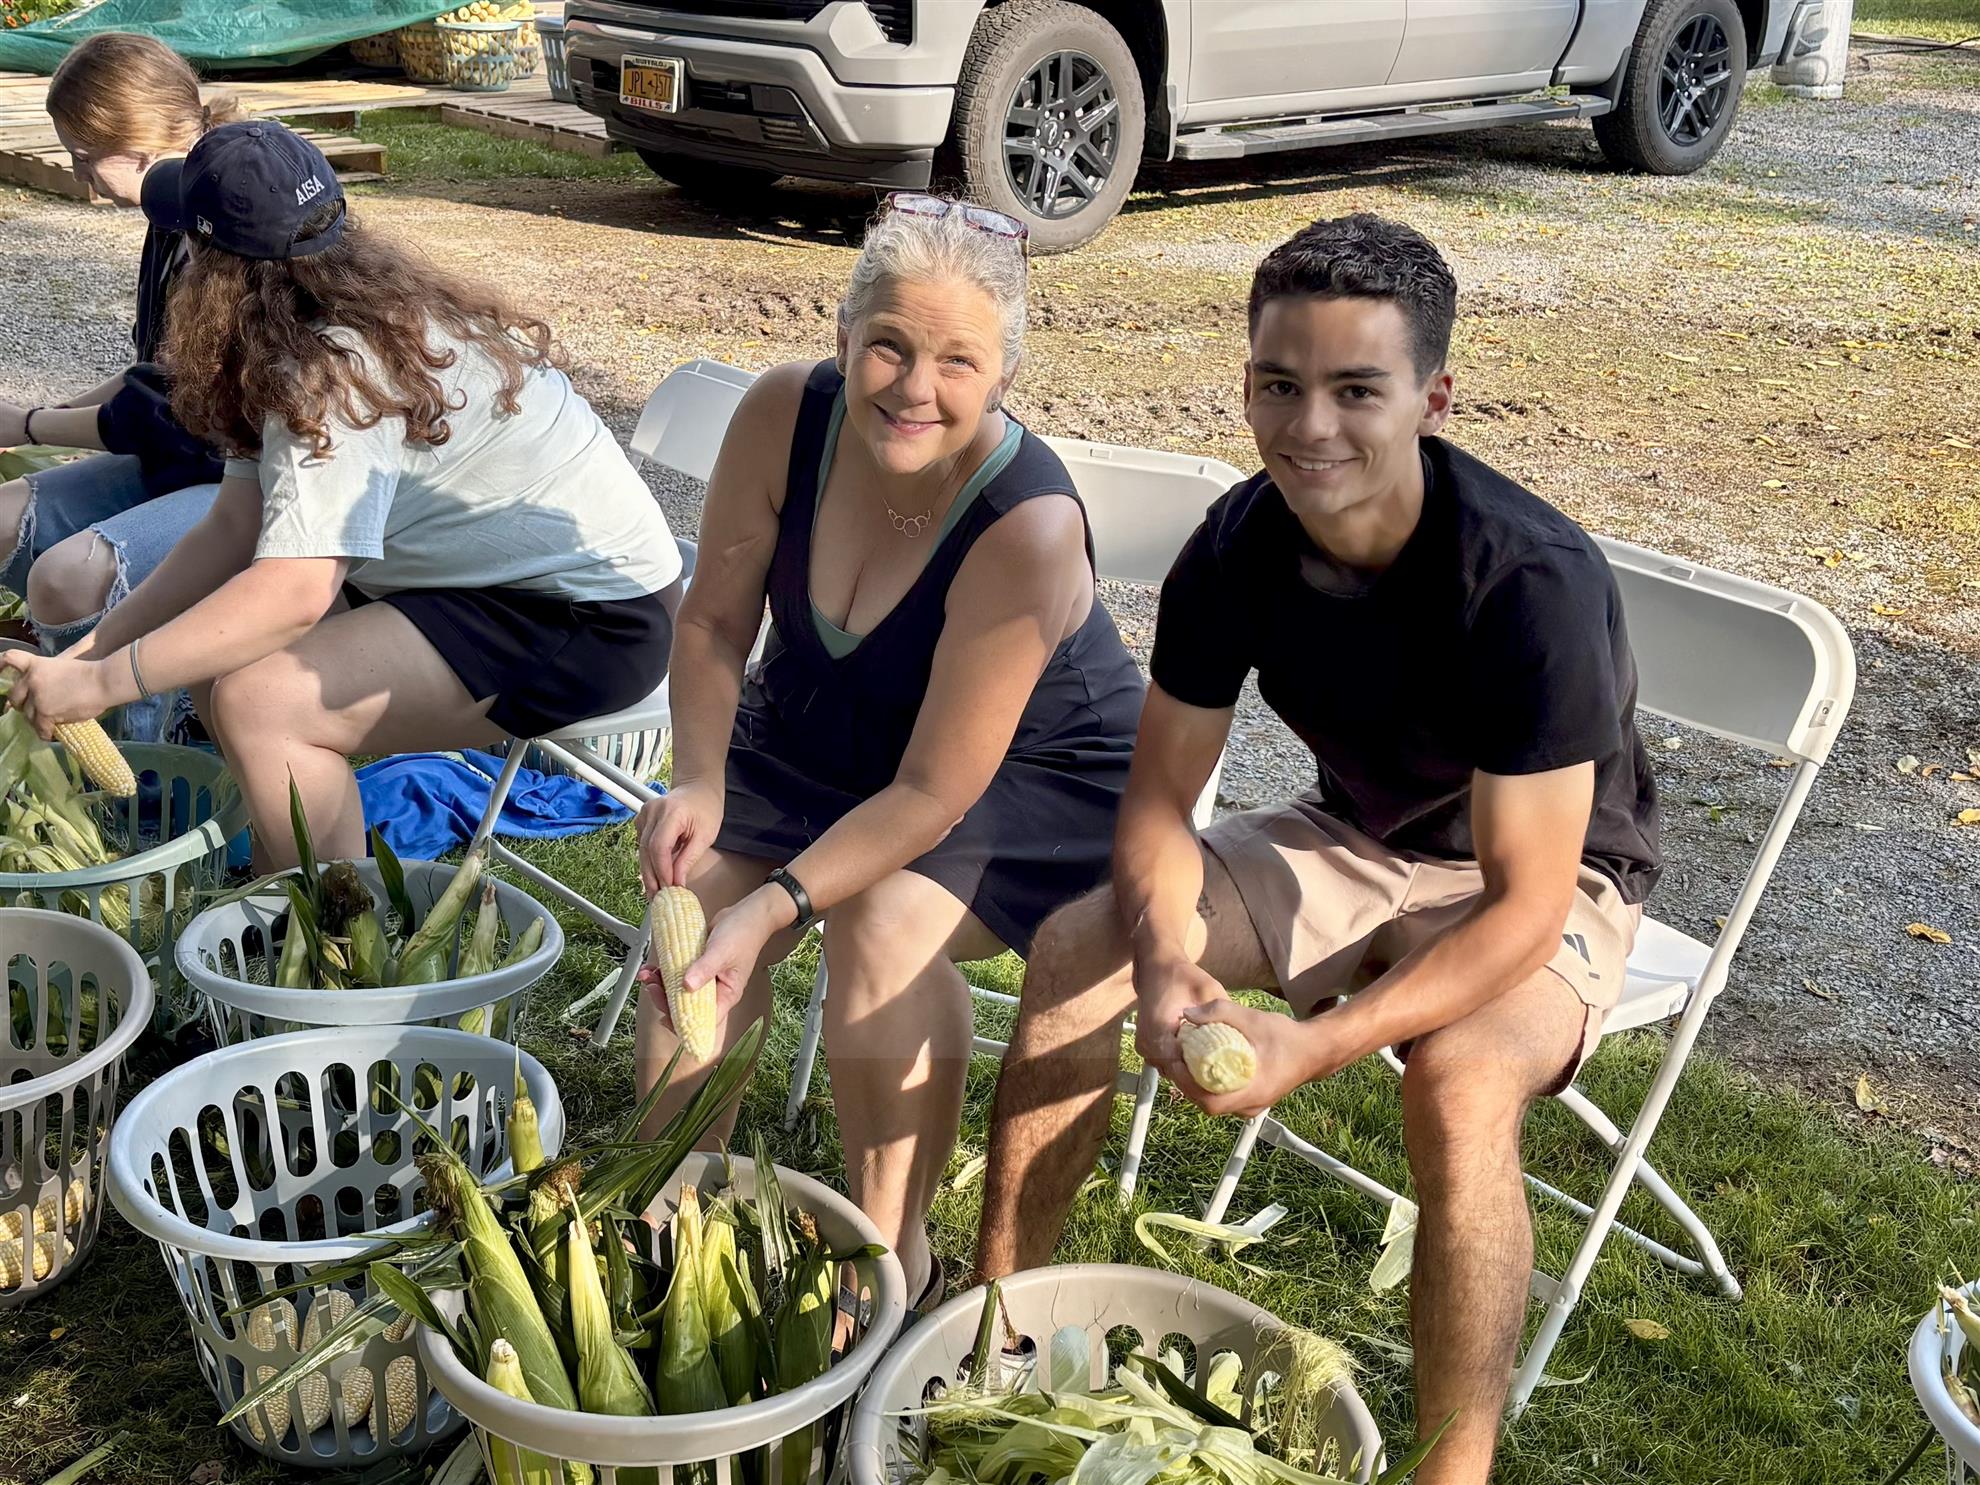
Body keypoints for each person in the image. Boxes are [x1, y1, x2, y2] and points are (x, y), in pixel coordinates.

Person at [974, 214, 1659, 1485]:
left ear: (1433, 400)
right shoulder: (1238, 545)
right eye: (1279, 386)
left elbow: (1524, 904)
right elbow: (1157, 804)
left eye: (1356, 390)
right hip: (1353, 834)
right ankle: (991, 1341)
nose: (1309, 428)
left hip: (1544, 876)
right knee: (1078, 948)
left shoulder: (1527, 581)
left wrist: (1312, 1046)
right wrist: (1164, 959)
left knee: (1457, 1086)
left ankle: (1452, 1475)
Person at [633, 194, 1144, 1310]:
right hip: (827, 718)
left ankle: (890, 1261)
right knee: (697, 897)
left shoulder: (1029, 526)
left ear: (1005, 373)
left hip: (1025, 769)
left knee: (881, 926)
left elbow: (931, 792)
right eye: (890, 347)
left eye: (958, 360)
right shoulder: (782, 415)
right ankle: (672, 1214)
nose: (916, 387)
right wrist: (701, 779)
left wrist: (779, 904)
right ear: (843, 335)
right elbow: (712, 623)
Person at [0, 122, 682, 866]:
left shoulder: (330, 371)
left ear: (211, 267)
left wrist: (105, 681)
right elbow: (229, 532)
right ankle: (279, 879)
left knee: (259, 701)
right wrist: (92, 656)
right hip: (493, 583)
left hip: (591, 617)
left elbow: (294, 594)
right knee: (217, 656)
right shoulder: (316, 329)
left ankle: (335, 926)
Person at [0, 33, 235, 738]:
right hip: (184, 465)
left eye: (82, 156)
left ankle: (154, 747)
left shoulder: (222, 223)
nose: (81, 176)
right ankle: (71, 686)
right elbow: (150, 371)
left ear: (134, 143)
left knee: (66, 578)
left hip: (245, 484)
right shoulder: (169, 211)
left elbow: (164, 416)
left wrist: (31, 424)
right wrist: (44, 412)